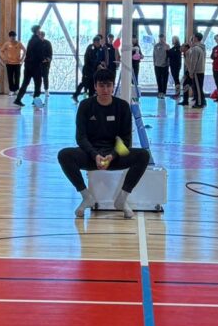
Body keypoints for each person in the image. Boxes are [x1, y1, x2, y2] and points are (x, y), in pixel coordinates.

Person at [59, 69, 150, 220]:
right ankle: (86, 196)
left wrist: (112, 156)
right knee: (64, 155)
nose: (105, 90)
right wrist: (95, 155)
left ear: (113, 86)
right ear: (95, 86)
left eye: (109, 86)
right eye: (102, 86)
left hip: (113, 155)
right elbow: (81, 138)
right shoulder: (85, 106)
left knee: (143, 155)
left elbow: (125, 141)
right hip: (91, 155)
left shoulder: (122, 107)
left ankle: (122, 198)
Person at [15, 26, 46, 106]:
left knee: (25, 83)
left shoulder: (31, 40)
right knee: (38, 83)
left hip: (28, 65)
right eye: (39, 30)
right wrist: (43, 59)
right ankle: (35, 101)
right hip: (36, 66)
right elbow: (40, 54)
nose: (40, 31)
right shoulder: (39, 41)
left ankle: (18, 99)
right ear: (37, 31)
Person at [75, 34, 102, 100]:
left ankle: (91, 97)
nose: (99, 44)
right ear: (95, 42)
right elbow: (90, 59)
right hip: (88, 69)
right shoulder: (91, 48)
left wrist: (100, 64)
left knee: (92, 83)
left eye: (99, 42)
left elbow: (98, 58)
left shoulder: (98, 48)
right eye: (98, 42)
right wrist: (98, 64)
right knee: (84, 82)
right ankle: (75, 95)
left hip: (93, 70)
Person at [185, 33, 207, 108]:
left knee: (197, 88)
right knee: (199, 88)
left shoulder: (195, 49)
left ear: (196, 38)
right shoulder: (202, 47)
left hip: (197, 71)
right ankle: (202, 101)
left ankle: (199, 103)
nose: (192, 39)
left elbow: (193, 62)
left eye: (193, 37)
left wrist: (191, 72)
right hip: (201, 70)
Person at [0, 31, 23, 95]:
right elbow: (1, 51)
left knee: (17, 77)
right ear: (9, 37)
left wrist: (22, 59)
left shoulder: (19, 43)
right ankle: (11, 90)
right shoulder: (7, 44)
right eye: (12, 36)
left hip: (17, 63)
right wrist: (4, 59)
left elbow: (25, 50)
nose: (13, 38)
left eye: (14, 36)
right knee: (10, 77)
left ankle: (17, 89)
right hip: (9, 64)